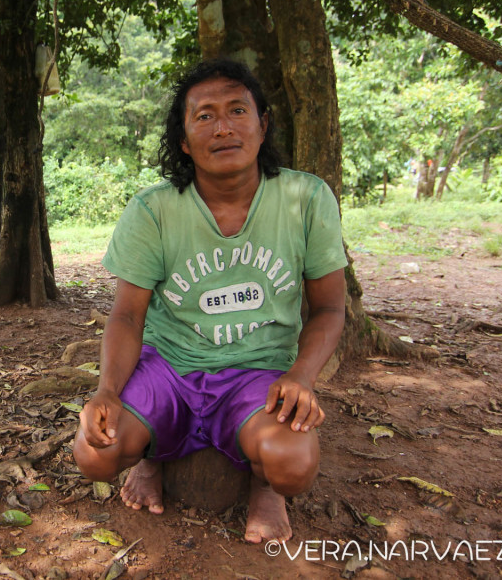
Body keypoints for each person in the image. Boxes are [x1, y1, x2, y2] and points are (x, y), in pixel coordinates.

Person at [73, 58, 347, 544]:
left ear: (263, 126)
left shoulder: (305, 199)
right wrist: (108, 392)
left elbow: (328, 309)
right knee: (95, 455)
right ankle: (155, 454)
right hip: (169, 369)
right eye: (203, 116)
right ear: (183, 141)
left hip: (258, 374)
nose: (223, 127)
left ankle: (265, 486)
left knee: (293, 466)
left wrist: (301, 378)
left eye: (238, 111)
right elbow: (127, 315)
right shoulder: (153, 210)